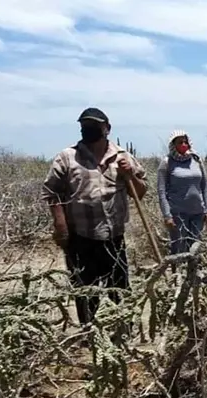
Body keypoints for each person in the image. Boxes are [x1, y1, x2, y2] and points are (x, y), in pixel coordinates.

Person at [42, 107, 148, 327]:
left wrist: (130, 175)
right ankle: (88, 332)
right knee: (85, 289)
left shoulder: (122, 157)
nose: (88, 129)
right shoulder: (67, 157)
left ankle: (122, 330)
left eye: (94, 126)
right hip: (80, 237)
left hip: (114, 237)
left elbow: (139, 192)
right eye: (84, 126)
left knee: (119, 288)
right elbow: (52, 192)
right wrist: (60, 225)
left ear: (107, 128)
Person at [157, 130, 207, 255]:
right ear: (173, 145)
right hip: (178, 215)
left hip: (198, 214)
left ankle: (193, 268)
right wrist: (167, 215)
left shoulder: (197, 160)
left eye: (185, 142)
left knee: (195, 250)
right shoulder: (166, 162)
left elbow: (205, 186)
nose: (183, 144)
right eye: (179, 142)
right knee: (179, 250)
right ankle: (177, 268)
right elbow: (161, 191)